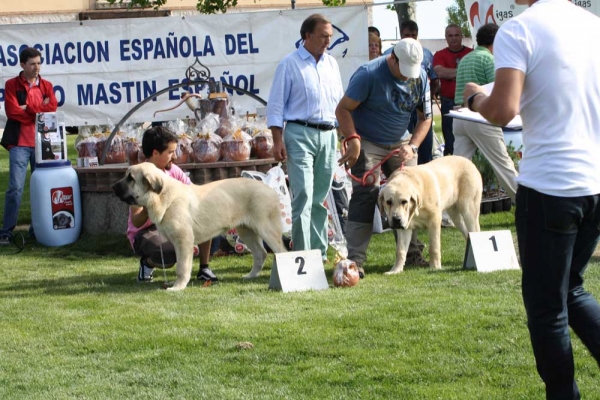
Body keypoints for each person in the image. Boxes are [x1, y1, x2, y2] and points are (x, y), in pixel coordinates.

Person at [463, 0, 600, 397]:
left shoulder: (519, 30)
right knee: (570, 289)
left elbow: (503, 110)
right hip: (593, 181)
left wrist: (474, 98)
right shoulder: (592, 25)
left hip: (551, 185)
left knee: (547, 309)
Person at [336, 38, 432, 277]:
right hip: (367, 139)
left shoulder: (420, 77)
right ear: (393, 58)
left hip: (402, 141)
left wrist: (413, 146)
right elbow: (343, 109)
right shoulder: (368, 74)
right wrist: (353, 139)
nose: (407, 77)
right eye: (403, 70)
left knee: (408, 194)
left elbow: (426, 118)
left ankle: (412, 254)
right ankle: (355, 260)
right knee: (366, 192)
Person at [266, 14, 344, 262]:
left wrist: (343, 135)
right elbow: (276, 106)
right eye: (323, 36)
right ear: (307, 36)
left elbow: (339, 104)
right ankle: (302, 258)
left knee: (319, 199)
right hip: (299, 132)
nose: (327, 41)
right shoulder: (289, 64)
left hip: (329, 134)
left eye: (330, 36)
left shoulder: (332, 64)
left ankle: (319, 254)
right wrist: (277, 141)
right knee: (304, 196)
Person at [127, 126, 217, 283]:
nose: (174, 156)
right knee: (171, 252)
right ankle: (147, 264)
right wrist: (150, 205)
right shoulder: (137, 176)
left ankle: (204, 269)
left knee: (207, 223)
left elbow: (193, 192)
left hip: (172, 224)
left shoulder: (174, 171)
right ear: (155, 153)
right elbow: (136, 221)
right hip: (146, 231)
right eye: (170, 152)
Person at [452, 23, 518, 202]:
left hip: (458, 116)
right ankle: (525, 204)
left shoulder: (465, 59)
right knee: (503, 164)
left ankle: (446, 215)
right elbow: (498, 92)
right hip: (480, 117)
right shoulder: (490, 60)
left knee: (455, 171)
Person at [1, 47, 58, 244]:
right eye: (32, 64)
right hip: (18, 144)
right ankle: (6, 232)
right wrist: (38, 110)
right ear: (22, 64)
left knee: (41, 189)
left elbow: (51, 110)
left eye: (39, 63)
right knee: (15, 188)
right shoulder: (11, 85)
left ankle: (37, 230)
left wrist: (29, 108)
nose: (37, 67)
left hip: (42, 144)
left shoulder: (47, 85)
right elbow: (12, 112)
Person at [384, 20, 440, 165]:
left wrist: (426, 97)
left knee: (425, 143)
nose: (410, 38)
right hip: (400, 107)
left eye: (413, 35)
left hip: (420, 105)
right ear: (400, 35)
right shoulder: (389, 55)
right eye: (406, 35)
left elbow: (434, 79)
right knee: (403, 146)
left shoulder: (426, 54)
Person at [433, 24, 472, 155]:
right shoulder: (440, 54)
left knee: (469, 140)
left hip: (469, 103)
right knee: (450, 141)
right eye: (450, 35)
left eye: (457, 35)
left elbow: (472, 72)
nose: (454, 38)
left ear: (462, 36)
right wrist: (463, 71)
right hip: (448, 102)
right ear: (446, 37)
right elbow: (439, 72)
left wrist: (451, 73)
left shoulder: (470, 53)